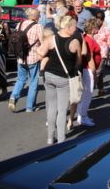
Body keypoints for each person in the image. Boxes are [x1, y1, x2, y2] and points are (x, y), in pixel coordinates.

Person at [35, 16, 83, 144]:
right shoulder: (74, 42)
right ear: (68, 27)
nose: (76, 29)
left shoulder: (51, 39)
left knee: (51, 107)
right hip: (63, 77)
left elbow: (42, 54)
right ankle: (61, 139)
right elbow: (78, 61)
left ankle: (50, 137)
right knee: (62, 110)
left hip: (49, 74)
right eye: (74, 27)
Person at [9, 8, 43, 112]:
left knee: (21, 79)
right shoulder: (38, 27)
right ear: (37, 17)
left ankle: (13, 96)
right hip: (33, 57)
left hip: (20, 57)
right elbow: (43, 42)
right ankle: (30, 107)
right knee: (33, 82)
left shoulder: (20, 25)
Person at [76, 17, 102, 127]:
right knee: (87, 93)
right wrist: (94, 72)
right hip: (88, 69)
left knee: (85, 93)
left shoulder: (87, 38)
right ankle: (82, 116)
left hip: (87, 68)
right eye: (97, 27)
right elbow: (89, 57)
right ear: (92, 29)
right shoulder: (89, 40)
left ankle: (81, 114)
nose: (99, 29)